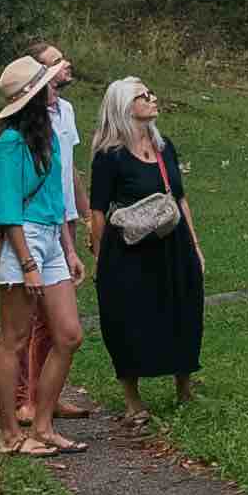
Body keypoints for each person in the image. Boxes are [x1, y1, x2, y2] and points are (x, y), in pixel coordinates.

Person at [85, 75, 207, 432]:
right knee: (128, 318)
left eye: (151, 93)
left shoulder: (164, 145)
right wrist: (99, 256)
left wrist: (195, 246)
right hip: (129, 249)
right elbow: (97, 210)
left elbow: (180, 198)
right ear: (126, 107)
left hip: (173, 243)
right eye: (144, 96)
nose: (153, 98)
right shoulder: (109, 156)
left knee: (184, 308)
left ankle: (184, 387)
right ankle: (132, 399)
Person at [0, 51, 84, 459]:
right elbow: (7, 209)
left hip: (51, 238)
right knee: (15, 338)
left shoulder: (50, 133)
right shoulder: (11, 143)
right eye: (47, 83)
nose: (55, 85)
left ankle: (42, 425)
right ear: (32, 95)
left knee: (68, 334)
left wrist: (69, 249)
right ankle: (10, 433)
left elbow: (58, 199)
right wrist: (28, 264)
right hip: (22, 239)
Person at [27, 39, 103, 423]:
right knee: (41, 316)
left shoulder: (67, 110)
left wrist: (87, 215)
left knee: (59, 316)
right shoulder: (28, 116)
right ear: (38, 72)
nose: (66, 64)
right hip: (38, 220)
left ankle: (49, 396)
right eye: (56, 61)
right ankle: (29, 398)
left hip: (65, 217)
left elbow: (69, 168)